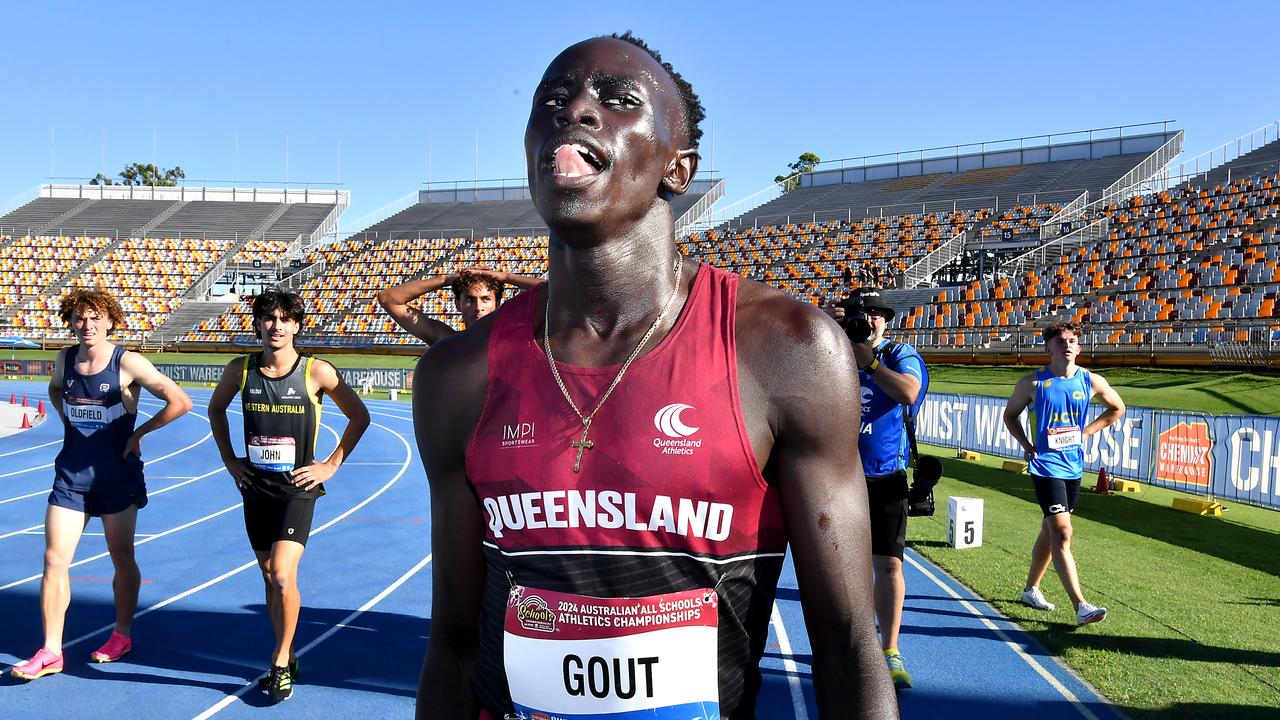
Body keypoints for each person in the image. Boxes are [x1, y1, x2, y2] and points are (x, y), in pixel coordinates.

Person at [413, 33, 897, 719]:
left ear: (678, 168)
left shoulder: (785, 349)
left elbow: (848, 647)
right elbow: (453, 648)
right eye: (553, 99)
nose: (574, 108)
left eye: (616, 100)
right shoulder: (456, 375)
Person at [11, 289, 193, 681]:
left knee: (121, 557)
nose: (87, 325)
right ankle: (51, 650)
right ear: (70, 322)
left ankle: (121, 634)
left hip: (116, 479)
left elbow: (180, 401)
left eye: (95, 318)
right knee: (53, 560)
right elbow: (56, 390)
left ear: (110, 321)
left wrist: (139, 433)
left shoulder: (127, 362)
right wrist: (68, 420)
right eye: (79, 318)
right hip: (71, 477)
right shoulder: (64, 359)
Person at [208, 290, 369, 702]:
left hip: (297, 488)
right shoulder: (240, 370)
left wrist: (330, 465)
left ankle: (280, 663)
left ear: (297, 325)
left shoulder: (316, 371)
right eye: (268, 318)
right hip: (255, 487)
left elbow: (359, 415)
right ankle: (290, 649)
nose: (275, 326)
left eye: (284, 319)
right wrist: (230, 460)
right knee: (269, 578)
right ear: (258, 324)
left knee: (282, 573)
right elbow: (215, 410)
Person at [834, 287, 927, 690]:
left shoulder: (897, 354)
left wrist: (868, 363)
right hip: (838, 477)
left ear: (885, 319)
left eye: (874, 313)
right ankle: (851, 645)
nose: (866, 320)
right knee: (840, 569)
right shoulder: (832, 350)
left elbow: (908, 391)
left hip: (885, 476)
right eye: (859, 313)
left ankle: (889, 648)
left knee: (889, 564)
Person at [1002, 321, 1124, 626]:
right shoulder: (1032, 384)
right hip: (1045, 466)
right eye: (1060, 341)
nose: (1066, 345)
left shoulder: (1090, 381)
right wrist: (1027, 445)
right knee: (1063, 531)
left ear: (1079, 347)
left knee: (1050, 530)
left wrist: (1087, 431)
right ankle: (1081, 605)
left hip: (1073, 467)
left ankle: (1031, 589)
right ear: (1048, 348)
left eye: (1072, 340)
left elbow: (1116, 408)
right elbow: (1010, 415)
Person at [377, 266, 542, 345]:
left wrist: (505, 276)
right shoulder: (446, 340)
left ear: (497, 304)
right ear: (457, 304)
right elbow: (388, 298)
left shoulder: (516, 338)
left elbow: (558, 293)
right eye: (470, 299)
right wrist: (447, 280)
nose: (478, 307)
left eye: (485, 299)